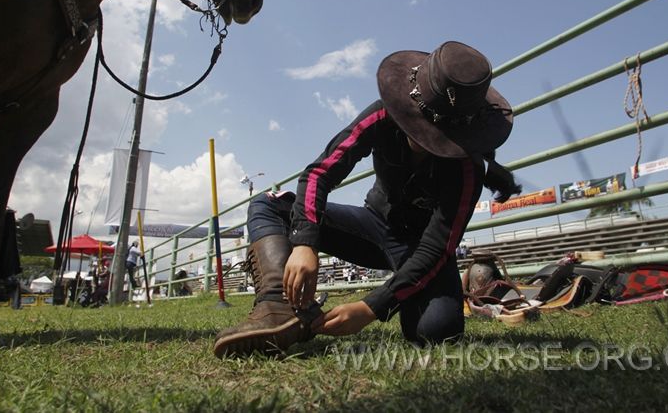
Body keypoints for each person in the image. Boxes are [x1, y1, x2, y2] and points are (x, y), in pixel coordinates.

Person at [214, 41, 521, 358]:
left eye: (436, 134)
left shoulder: (467, 169)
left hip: (421, 249)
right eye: (418, 124)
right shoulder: (381, 116)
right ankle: (277, 306)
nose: (422, 138)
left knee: (436, 332)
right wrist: (306, 241)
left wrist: (372, 306)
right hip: (373, 226)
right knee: (267, 204)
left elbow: (437, 247)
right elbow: (319, 173)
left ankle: (420, 295)